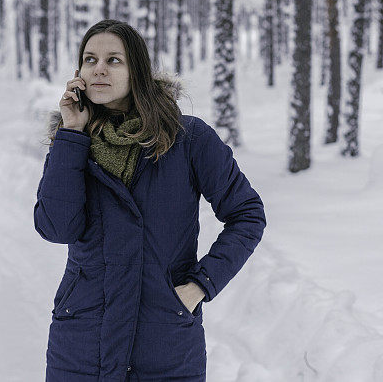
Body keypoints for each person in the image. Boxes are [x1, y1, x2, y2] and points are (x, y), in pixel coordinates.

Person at [35, 19, 267, 381]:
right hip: (81, 346)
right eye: (90, 59)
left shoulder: (188, 139)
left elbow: (247, 214)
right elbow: (56, 228)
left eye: (114, 60)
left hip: (165, 347)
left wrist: (201, 285)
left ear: (137, 71)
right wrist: (71, 134)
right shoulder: (72, 141)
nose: (99, 69)